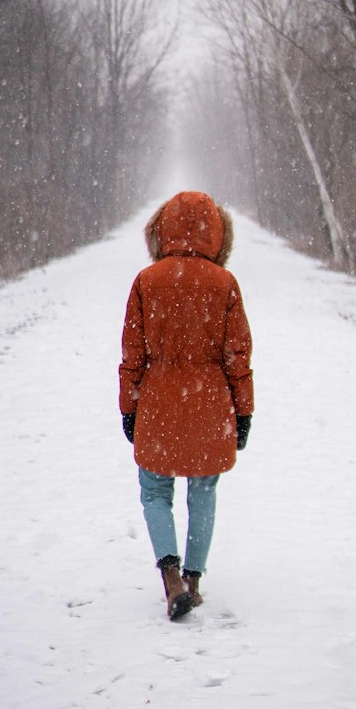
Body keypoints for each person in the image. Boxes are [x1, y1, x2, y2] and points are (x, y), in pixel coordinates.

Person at [119, 191, 254, 620]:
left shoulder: (146, 281)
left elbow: (132, 358)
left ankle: (170, 577)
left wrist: (129, 407)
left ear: (160, 229)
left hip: (158, 399)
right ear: (218, 234)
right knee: (204, 489)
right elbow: (239, 357)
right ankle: (194, 581)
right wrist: (244, 410)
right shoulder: (225, 284)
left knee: (155, 492)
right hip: (210, 403)